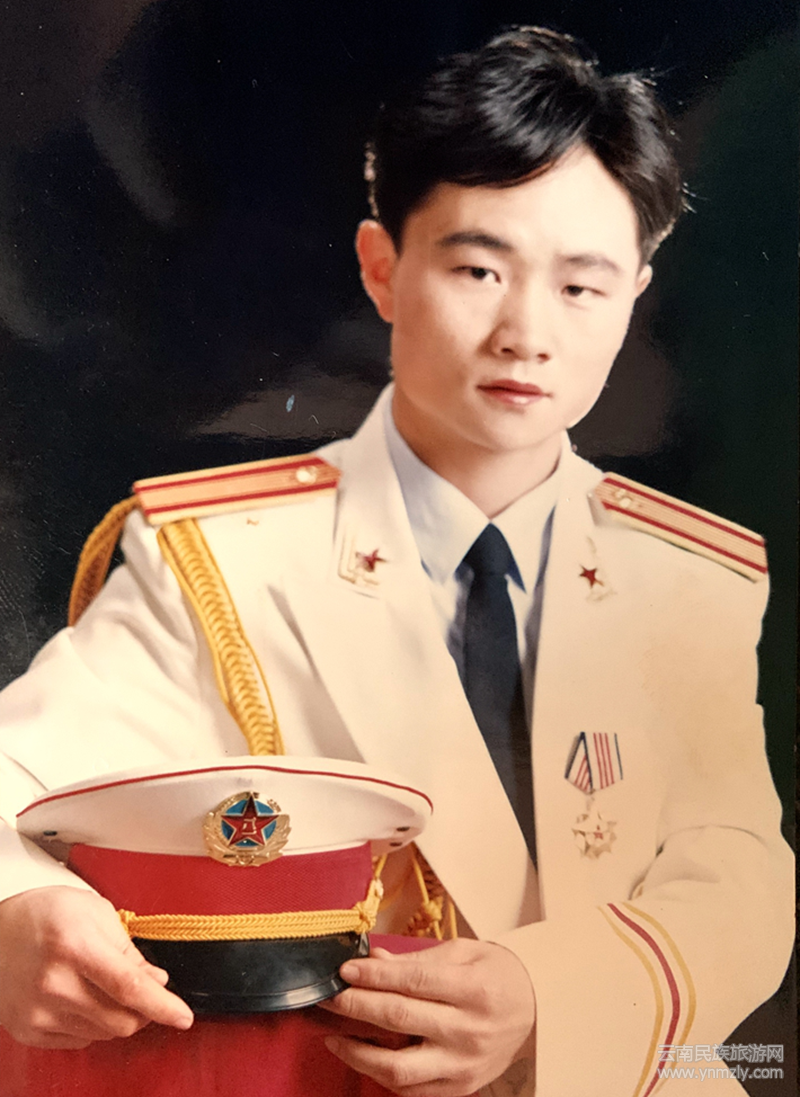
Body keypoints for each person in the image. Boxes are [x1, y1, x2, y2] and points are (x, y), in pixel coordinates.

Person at [0, 26, 792, 1097]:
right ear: (382, 268)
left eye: (581, 286)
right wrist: (16, 909)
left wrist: (548, 993)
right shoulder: (219, 557)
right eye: (478, 268)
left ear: (634, 297)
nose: (525, 332)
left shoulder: (688, 574)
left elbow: (734, 867)